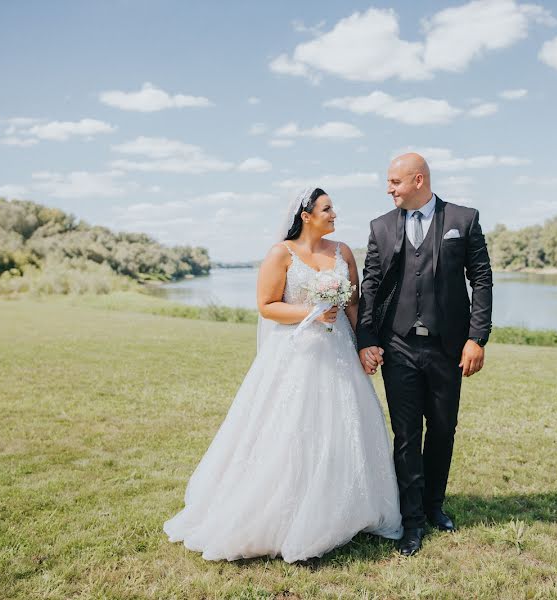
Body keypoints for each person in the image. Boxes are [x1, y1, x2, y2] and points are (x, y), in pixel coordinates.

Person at [163, 187, 403, 563]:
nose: (334, 213)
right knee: (294, 428)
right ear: (306, 215)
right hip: (297, 354)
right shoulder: (281, 253)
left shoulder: (342, 252)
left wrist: (362, 345)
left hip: (338, 349)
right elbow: (266, 306)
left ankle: (349, 509)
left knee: (346, 426)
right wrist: (312, 310)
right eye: (327, 208)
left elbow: (353, 303)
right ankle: (288, 514)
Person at [356, 153, 493, 556]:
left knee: (443, 429)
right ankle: (411, 520)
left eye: (395, 182)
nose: (389, 189)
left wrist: (477, 338)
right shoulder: (380, 227)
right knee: (406, 435)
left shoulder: (463, 220)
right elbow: (371, 284)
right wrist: (366, 339)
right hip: (398, 346)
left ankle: (434, 506)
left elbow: (481, 279)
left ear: (418, 180)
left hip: (447, 346)